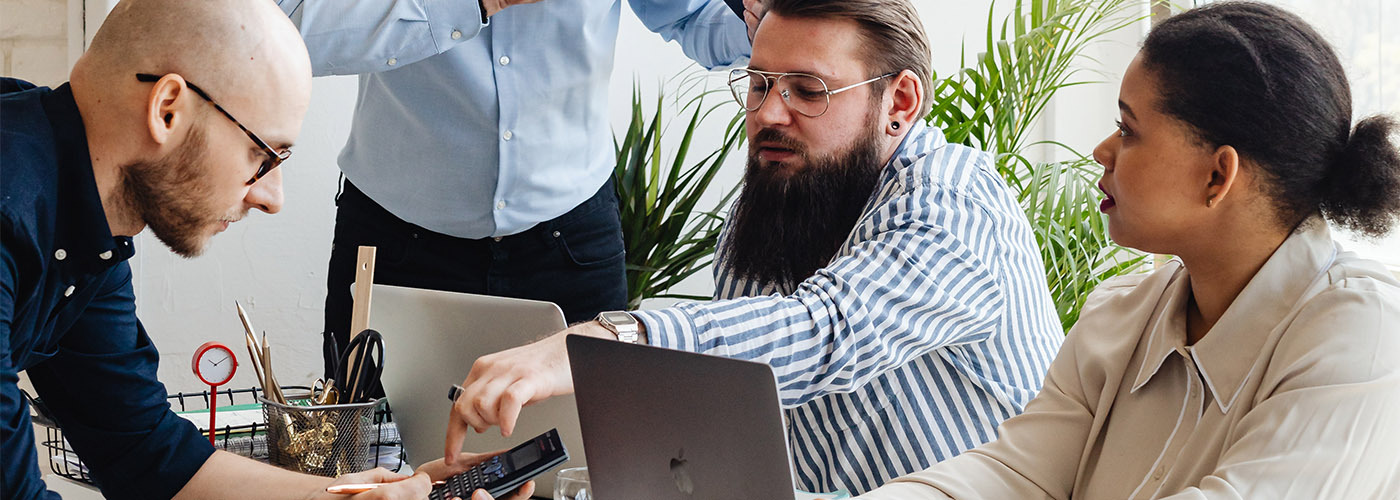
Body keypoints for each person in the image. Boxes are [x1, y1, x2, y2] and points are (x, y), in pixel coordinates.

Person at [448, 0, 1066, 495]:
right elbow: (720, 427)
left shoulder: (957, 200)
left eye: (809, 89)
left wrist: (605, 342)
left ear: (899, 103)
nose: (771, 112)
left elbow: (828, 329)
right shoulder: (772, 207)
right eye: (761, 83)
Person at [856, 2, 1400, 498]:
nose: (1102, 150)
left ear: (1218, 174)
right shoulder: (1118, 314)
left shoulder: (1363, 333)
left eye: (1128, 129)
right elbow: (1015, 475)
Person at [0, 0, 529, 498]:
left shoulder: (85, 217)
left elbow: (143, 450)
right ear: (167, 109)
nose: (271, 198)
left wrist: (350, 494)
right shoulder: (13, 209)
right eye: (263, 155)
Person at [274, 0, 763, 380]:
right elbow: (288, 24)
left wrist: (771, 19)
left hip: (572, 246)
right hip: (396, 243)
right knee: (362, 461)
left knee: (583, 461)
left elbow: (697, 14)